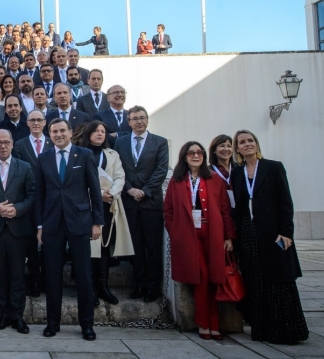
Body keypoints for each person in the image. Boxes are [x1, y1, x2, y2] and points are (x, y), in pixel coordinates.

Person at [230, 130, 308, 344]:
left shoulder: (273, 167)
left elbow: (286, 202)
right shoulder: (237, 173)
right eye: (242, 142)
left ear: (256, 144)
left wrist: (286, 232)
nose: (247, 145)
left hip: (273, 231)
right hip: (248, 231)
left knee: (279, 279)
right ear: (237, 148)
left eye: (250, 141)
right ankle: (263, 328)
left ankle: (286, 330)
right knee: (256, 279)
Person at [35, 119, 103, 341]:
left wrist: (97, 222)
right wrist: (40, 226)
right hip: (53, 224)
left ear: (70, 132)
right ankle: (52, 323)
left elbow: (95, 190)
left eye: (62, 130)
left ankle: (87, 325)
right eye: (54, 131)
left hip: (80, 222)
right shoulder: (43, 158)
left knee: (83, 275)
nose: (58, 134)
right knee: (52, 276)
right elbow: (40, 196)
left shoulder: (84, 155)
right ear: (49, 134)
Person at [164, 141, 235, 340]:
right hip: (188, 236)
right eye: (191, 152)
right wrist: (175, 231)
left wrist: (228, 236)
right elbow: (168, 210)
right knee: (201, 278)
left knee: (213, 280)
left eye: (200, 152)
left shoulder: (214, 179)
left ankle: (211, 324)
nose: (196, 156)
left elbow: (224, 210)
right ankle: (207, 323)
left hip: (212, 234)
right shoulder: (177, 180)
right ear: (184, 156)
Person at [74, 121, 133, 305]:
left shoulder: (112, 154)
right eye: (96, 131)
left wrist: (112, 194)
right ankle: (88, 287)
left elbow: (120, 176)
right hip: (85, 205)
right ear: (88, 133)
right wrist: (99, 195)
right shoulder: (79, 153)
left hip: (109, 205)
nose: (100, 134)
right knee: (89, 248)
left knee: (105, 247)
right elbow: (77, 181)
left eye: (103, 131)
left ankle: (103, 286)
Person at [114, 106, 169, 302]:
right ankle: (139, 284)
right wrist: (128, 188)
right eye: (135, 118)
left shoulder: (160, 143)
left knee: (152, 246)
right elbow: (117, 169)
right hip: (129, 201)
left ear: (147, 120)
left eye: (142, 118)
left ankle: (153, 287)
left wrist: (144, 191)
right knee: (135, 245)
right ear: (128, 122)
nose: (139, 121)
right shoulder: (120, 143)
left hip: (151, 202)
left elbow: (161, 170)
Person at [0, 130, 34, 334]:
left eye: (6, 142)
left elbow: (32, 196)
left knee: (17, 274)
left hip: (18, 229)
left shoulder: (24, 167)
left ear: (13, 144)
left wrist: (17, 209)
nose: (3, 146)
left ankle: (18, 316)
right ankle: (3, 314)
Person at [209, 134, 236, 206]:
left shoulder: (238, 168)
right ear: (214, 150)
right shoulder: (208, 171)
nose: (226, 149)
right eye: (222, 146)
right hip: (219, 207)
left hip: (239, 210)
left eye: (229, 146)